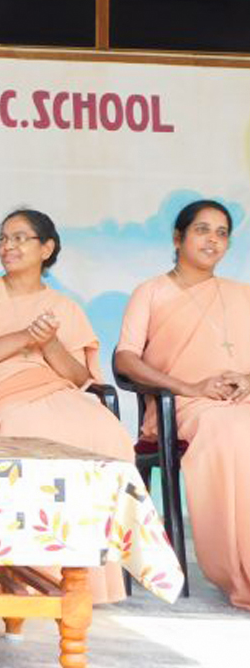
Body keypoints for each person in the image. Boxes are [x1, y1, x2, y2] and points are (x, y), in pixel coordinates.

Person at [0, 208, 133, 603]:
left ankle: (82, 573)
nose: (8, 246)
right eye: (3, 238)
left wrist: (48, 343)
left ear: (47, 248)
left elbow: (79, 377)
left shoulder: (64, 306)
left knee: (107, 432)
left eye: (20, 238)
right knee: (27, 428)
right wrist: (23, 338)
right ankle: (28, 571)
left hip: (51, 389)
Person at [115, 199, 250, 610]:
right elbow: (126, 359)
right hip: (184, 408)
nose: (213, 239)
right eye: (202, 230)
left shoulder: (241, 294)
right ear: (178, 238)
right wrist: (188, 386)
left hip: (242, 400)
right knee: (232, 432)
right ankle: (240, 569)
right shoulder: (151, 292)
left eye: (222, 232)